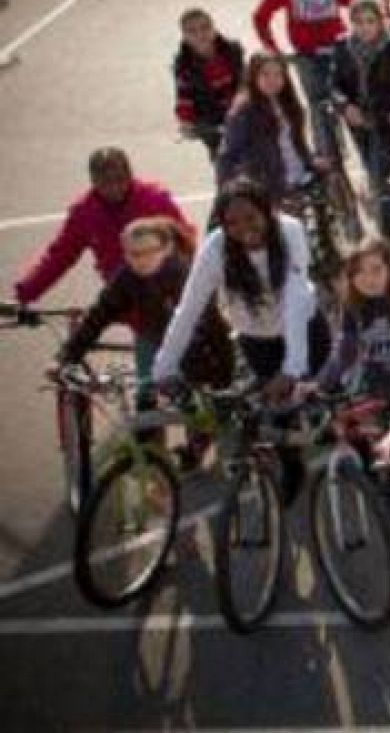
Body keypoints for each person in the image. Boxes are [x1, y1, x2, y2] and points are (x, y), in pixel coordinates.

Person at [154, 178, 331, 502]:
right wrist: (164, 365)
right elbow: (189, 308)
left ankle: (364, 462)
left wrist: (293, 368)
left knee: (331, 401)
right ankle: (293, 468)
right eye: (231, 222)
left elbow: (293, 299)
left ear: (267, 210)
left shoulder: (290, 231)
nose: (243, 228)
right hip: (258, 341)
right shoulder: (216, 248)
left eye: (251, 217)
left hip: (306, 331)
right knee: (281, 416)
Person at [55, 218, 231, 423]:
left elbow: (211, 328)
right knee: (145, 405)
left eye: (149, 251)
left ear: (166, 249)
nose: (141, 259)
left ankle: (195, 448)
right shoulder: (127, 277)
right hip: (156, 341)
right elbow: (98, 315)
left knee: (203, 419)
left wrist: (211, 378)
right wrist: (67, 356)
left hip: (203, 355)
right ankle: (152, 446)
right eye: (134, 254)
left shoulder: (184, 276)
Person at [318, 238, 390, 515]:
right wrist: (320, 381)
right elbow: (345, 347)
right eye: (358, 273)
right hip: (373, 384)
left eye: (376, 269)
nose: (368, 279)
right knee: (364, 430)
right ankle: (368, 471)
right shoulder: (352, 304)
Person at [12, 148, 190, 312]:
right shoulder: (85, 212)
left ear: (130, 176)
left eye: (119, 180)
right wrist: (26, 293)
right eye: (105, 183)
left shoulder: (154, 200)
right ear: (93, 181)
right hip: (124, 297)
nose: (114, 189)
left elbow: (186, 242)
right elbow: (60, 256)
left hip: (166, 295)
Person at [251, 0, 354, 157]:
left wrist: (356, 36)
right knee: (318, 105)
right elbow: (260, 16)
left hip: (337, 51)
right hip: (307, 57)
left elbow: (353, 4)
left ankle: (361, 146)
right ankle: (326, 156)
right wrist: (274, 51)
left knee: (350, 98)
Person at [330, 0, 390, 186]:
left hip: (388, 117)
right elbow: (333, 86)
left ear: (379, 22)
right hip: (358, 118)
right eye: (359, 22)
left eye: (370, 21)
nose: (365, 27)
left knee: (386, 169)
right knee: (372, 166)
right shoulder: (343, 49)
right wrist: (345, 106)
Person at [218, 52, 321, 205]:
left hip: (299, 173)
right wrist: (230, 191)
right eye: (265, 74)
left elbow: (297, 143)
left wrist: (311, 160)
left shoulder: (288, 104)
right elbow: (228, 154)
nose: (272, 80)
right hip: (268, 182)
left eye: (278, 74)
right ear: (254, 76)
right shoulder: (243, 111)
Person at [172, 8, 245, 160]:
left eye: (205, 27)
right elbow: (184, 95)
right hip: (211, 120)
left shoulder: (232, 50)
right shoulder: (184, 64)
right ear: (185, 36)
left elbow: (245, 80)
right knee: (223, 160)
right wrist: (186, 121)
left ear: (213, 28)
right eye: (192, 31)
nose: (200, 35)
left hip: (240, 113)